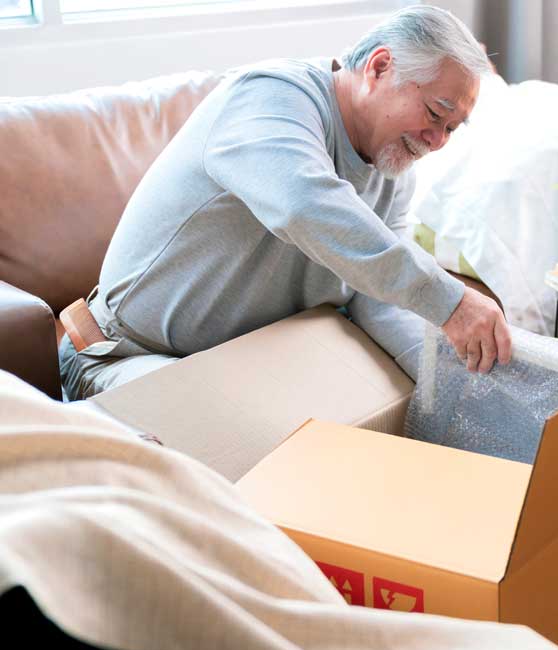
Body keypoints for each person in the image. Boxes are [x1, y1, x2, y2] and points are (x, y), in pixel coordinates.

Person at [58, 5, 511, 401]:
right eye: (435, 113)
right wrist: (450, 300)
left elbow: (379, 295)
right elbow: (305, 206)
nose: (436, 142)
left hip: (242, 371)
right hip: (123, 357)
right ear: (379, 67)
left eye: (452, 128)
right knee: (247, 457)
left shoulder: (393, 168)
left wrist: (452, 384)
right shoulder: (272, 97)